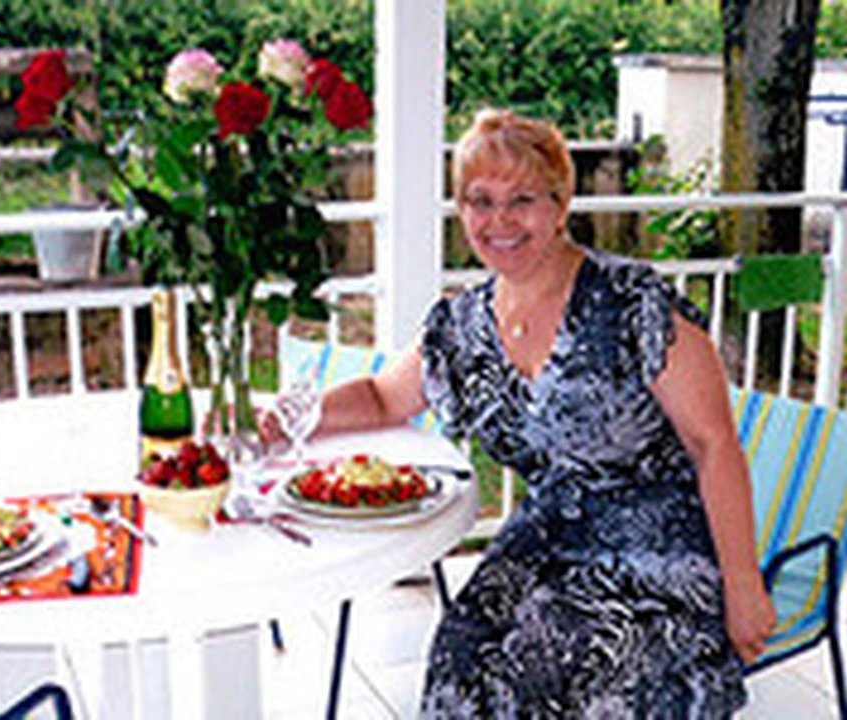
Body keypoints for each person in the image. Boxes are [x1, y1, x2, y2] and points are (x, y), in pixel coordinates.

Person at [261, 108, 776, 718]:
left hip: (659, 549)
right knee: (460, 658)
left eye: (522, 200)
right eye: (480, 201)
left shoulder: (633, 303)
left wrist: (744, 585)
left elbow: (714, 445)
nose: (499, 221)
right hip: (547, 540)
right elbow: (382, 396)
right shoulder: (463, 325)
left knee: (573, 672)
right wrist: (290, 417)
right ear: (462, 211)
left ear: (561, 205)